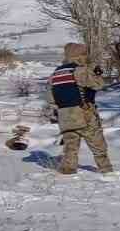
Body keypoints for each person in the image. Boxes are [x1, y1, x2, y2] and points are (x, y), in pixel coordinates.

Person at [48, 42, 113, 174]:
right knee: (97, 144)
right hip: (83, 113)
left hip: (65, 116)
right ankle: (106, 169)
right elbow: (98, 85)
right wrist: (96, 73)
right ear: (79, 55)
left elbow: (51, 98)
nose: (86, 56)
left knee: (70, 146)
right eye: (84, 54)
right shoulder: (80, 70)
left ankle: (68, 169)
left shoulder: (55, 74)